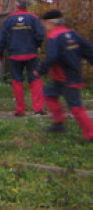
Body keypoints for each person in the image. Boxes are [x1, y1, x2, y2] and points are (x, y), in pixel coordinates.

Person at [33, 9, 93, 142]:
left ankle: (90, 134)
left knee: (76, 107)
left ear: (50, 23)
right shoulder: (72, 34)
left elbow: (52, 57)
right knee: (49, 94)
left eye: (45, 24)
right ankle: (58, 123)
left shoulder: (54, 37)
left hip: (66, 77)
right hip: (66, 76)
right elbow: (89, 50)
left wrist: (40, 70)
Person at [0, 0, 46, 116]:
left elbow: (1, 39)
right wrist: (35, 45)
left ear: (16, 6)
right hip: (31, 54)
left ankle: (20, 110)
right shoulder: (33, 18)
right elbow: (41, 34)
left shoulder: (8, 20)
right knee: (35, 80)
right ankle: (38, 109)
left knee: (17, 81)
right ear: (26, 6)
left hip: (14, 55)